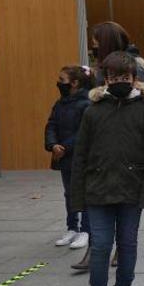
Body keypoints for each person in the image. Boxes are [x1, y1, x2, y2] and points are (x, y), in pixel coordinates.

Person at [71, 51, 144, 286]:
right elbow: (80, 155)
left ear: (134, 78)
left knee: (127, 244)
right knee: (100, 245)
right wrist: (76, 198)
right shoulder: (93, 111)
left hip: (131, 190)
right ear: (105, 79)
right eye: (113, 77)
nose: (119, 81)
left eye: (124, 76)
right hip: (97, 190)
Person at [45, 66, 92, 254]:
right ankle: (72, 227)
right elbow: (51, 125)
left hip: (79, 156)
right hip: (63, 157)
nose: (58, 83)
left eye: (61, 79)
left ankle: (86, 230)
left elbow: (85, 131)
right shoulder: (60, 103)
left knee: (84, 193)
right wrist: (52, 144)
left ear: (75, 83)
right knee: (69, 193)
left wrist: (64, 147)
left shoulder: (87, 103)